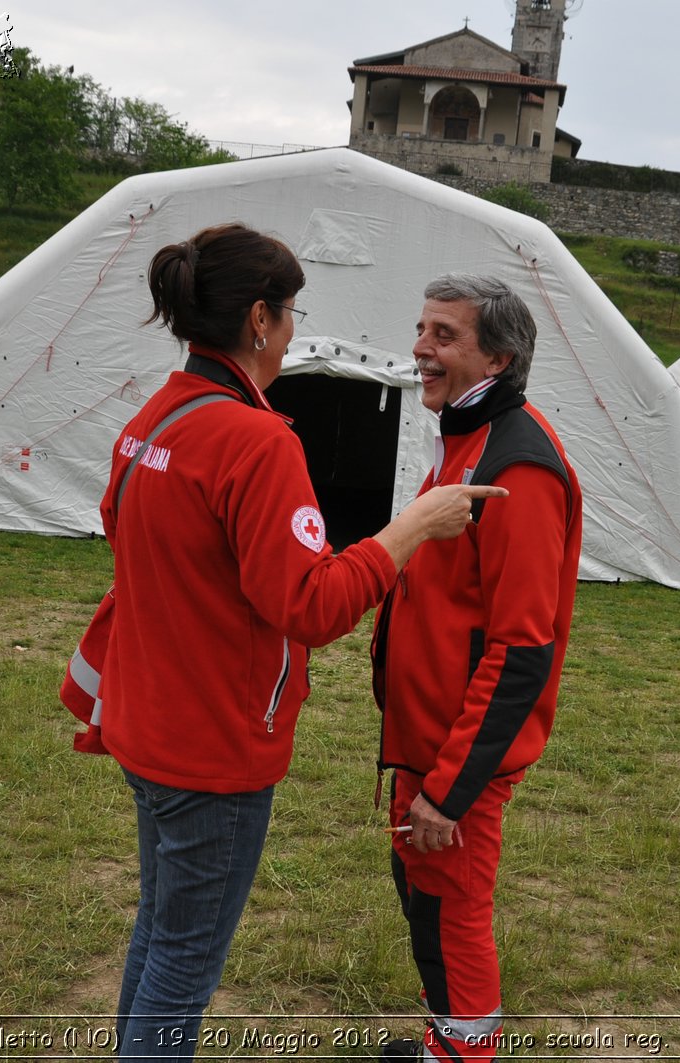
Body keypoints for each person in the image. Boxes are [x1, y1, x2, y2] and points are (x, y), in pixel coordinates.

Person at [93, 225, 505, 1060]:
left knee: (159, 932)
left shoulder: (157, 414)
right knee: (181, 963)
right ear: (259, 319)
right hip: (212, 750)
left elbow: (127, 534)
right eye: (290, 313)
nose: (292, 329)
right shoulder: (257, 439)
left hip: (145, 722)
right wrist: (409, 530)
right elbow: (312, 607)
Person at [371, 275, 583, 1062]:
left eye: (444, 336)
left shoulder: (517, 466)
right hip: (424, 737)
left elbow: (524, 648)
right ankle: (445, 1042)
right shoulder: (463, 438)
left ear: (498, 355)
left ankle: (466, 1055)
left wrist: (451, 788)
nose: (421, 348)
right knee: (423, 896)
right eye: (421, 329)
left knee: (452, 907)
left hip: (457, 757)